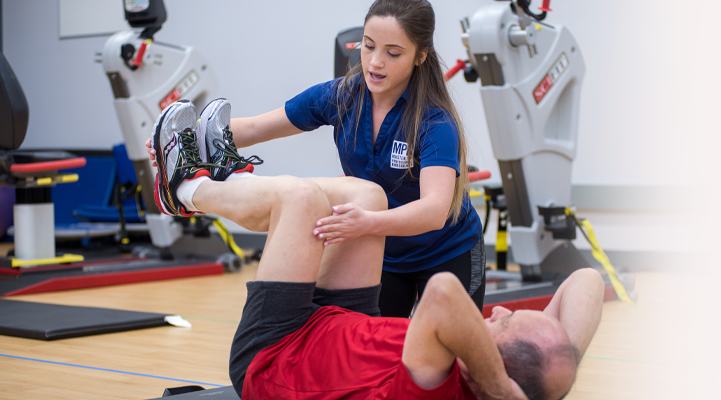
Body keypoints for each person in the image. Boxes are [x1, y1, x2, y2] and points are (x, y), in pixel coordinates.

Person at [150, 99, 604, 400]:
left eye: (505, 325)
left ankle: (185, 188)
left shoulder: (441, 384)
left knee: (301, 200)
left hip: (275, 355)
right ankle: (229, 180)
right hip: (342, 322)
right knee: (367, 196)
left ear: (487, 370)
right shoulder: (488, 366)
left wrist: (502, 387)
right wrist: (556, 361)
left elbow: (445, 293)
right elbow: (587, 282)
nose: (499, 313)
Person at [147, 0, 485, 318]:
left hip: (447, 251)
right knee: (375, 357)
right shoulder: (341, 95)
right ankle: (188, 192)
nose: (375, 62)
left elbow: (434, 211)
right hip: (385, 251)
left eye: (392, 53)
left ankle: (192, 194)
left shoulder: (435, 122)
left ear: (420, 56)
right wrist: (177, 143)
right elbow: (250, 128)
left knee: (450, 367)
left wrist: (366, 222)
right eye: (368, 46)